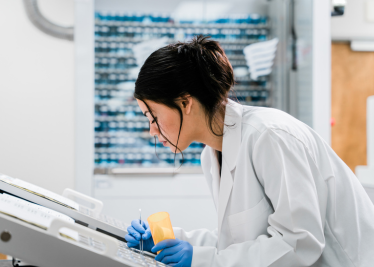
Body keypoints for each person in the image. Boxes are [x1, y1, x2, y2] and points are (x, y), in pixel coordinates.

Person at [125, 35, 374, 267]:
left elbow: (298, 243)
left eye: (153, 116)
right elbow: (237, 244)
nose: (152, 131)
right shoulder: (211, 155)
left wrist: (201, 260)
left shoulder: (269, 135)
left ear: (185, 102)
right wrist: (166, 241)